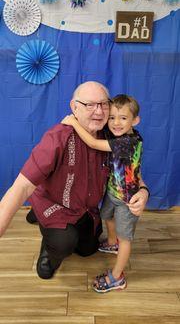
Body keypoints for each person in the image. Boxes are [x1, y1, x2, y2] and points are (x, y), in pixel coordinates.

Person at [0, 82, 149, 282]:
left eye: (103, 104)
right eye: (89, 105)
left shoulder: (113, 133)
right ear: (74, 107)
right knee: (63, 242)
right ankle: (49, 247)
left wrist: (143, 190)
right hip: (56, 205)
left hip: (85, 208)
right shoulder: (58, 137)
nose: (98, 111)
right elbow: (22, 186)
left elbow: (130, 170)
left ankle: (43, 219)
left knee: (88, 249)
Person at [62, 94, 150, 292]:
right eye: (112, 117)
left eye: (123, 118)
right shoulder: (122, 135)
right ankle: (112, 242)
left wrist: (73, 123)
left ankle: (117, 277)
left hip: (128, 200)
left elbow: (93, 144)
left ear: (135, 121)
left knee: (125, 237)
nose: (116, 123)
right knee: (106, 216)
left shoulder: (126, 142)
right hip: (113, 192)